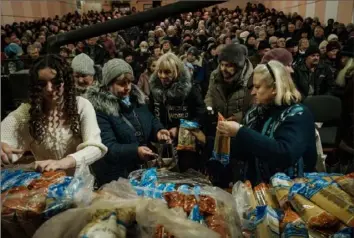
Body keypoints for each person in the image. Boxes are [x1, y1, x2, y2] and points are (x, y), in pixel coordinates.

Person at [1, 55, 107, 175]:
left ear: (66, 81)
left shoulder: (82, 106)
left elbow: (95, 147)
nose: (49, 88)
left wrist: (64, 162)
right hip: (45, 185)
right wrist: (3, 146)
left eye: (56, 82)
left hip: (80, 184)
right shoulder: (26, 112)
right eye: (42, 83)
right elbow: (5, 135)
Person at [217, 60, 317, 184]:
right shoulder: (257, 111)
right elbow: (246, 151)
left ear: (275, 88)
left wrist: (241, 132)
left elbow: (285, 154)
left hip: (291, 188)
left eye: (258, 87)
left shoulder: (299, 115)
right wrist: (220, 139)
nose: (253, 92)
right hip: (257, 186)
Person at [85, 58, 170, 186]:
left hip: (139, 172)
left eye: (129, 82)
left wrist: (158, 131)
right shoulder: (100, 111)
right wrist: (135, 151)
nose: (128, 88)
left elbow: (150, 120)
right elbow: (108, 147)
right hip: (116, 178)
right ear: (109, 84)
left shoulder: (136, 100)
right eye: (121, 84)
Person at [149, 53, 206, 171]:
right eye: (160, 72)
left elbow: (201, 114)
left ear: (177, 71)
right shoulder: (155, 91)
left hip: (187, 145)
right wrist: (159, 130)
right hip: (163, 144)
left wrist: (180, 129)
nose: (162, 76)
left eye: (167, 72)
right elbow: (151, 115)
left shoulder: (190, 89)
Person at [205, 43, 253, 121]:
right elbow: (210, 95)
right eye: (222, 65)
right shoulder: (215, 75)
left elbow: (254, 106)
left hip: (240, 126)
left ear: (238, 66)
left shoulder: (251, 78)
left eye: (228, 65)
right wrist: (209, 108)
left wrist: (239, 117)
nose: (223, 69)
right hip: (218, 123)